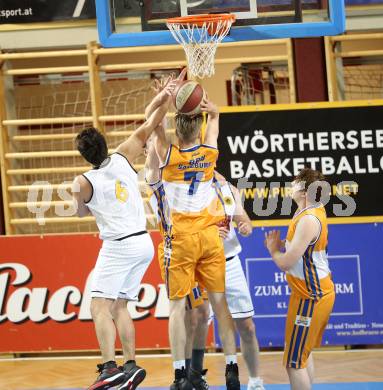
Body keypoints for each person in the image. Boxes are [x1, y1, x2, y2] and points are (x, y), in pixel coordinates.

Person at [72, 75, 178, 390]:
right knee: (120, 306)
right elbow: (152, 122)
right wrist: (166, 98)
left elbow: (80, 212)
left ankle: (108, 367)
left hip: (118, 246)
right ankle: (130, 365)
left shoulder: (82, 182)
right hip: (144, 242)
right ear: (104, 145)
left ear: (84, 156)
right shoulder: (122, 155)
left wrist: (88, 205)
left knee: (98, 306)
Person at [145, 85, 240, 390]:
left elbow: (152, 123)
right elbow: (215, 116)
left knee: (176, 309)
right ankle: (232, 367)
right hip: (211, 237)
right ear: (199, 126)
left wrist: (164, 98)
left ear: (177, 127)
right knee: (219, 305)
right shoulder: (210, 151)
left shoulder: (167, 154)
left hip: (181, 239)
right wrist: (208, 110)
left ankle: (178, 374)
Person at [184, 172, 265, 390]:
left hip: (229, 262)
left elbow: (243, 218)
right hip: (200, 263)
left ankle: (256, 382)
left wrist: (246, 226)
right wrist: (208, 233)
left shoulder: (227, 188)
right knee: (197, 321)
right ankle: (193, 376)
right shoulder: (185, 188)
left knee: (247, 326)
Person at [264, 168, 335, 390]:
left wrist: (273, 249)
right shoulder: (306, 211)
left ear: (305, 192)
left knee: (294, 363)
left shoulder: (309, 220)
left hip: (312, 296)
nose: (291, 185)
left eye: (295, 183)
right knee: (301, 354)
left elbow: (285, 262)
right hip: (305, 294)